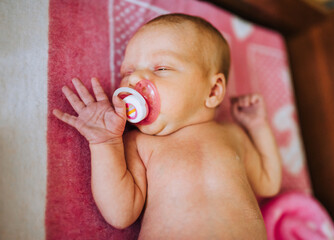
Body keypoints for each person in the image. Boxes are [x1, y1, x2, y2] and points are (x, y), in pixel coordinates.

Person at [53, 13, 282, 239]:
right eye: (128, 72)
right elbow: (120, 213)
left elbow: (269, 183)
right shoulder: (139, 144)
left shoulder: (233, 134)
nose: (134, 81)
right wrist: (104, 143)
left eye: (161, 68)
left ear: (213, 91)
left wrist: (258, 126)